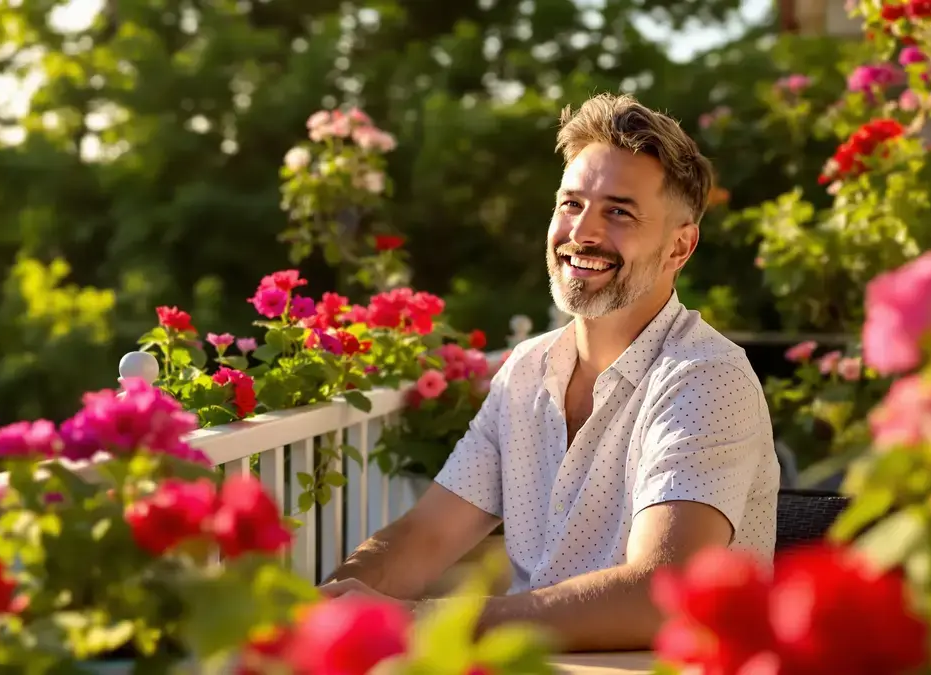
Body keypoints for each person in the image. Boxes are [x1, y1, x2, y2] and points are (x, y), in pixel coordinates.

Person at [321, 93, 779, 652]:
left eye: (619, 211)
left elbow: (661, 593)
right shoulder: (527, 371)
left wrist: (417, 619)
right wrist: (337, 606)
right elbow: (427, 535)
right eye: (571, 204)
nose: (582, 232)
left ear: (679, 247)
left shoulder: (705, 377)